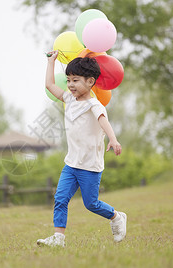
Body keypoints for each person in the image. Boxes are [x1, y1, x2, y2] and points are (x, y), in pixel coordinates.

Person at [37, 50, 127, 247]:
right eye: (68, 79)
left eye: (75, 80)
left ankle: (116, 216)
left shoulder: (94, 105)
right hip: (71, 163)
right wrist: (51, 62)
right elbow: (49, 85)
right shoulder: (69, 99)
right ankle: (58, 239)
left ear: (90, 81)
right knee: (60, 198)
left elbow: (104, 121)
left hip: (90, 165)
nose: (70, 84)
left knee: (91, 204)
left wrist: (113, 139)